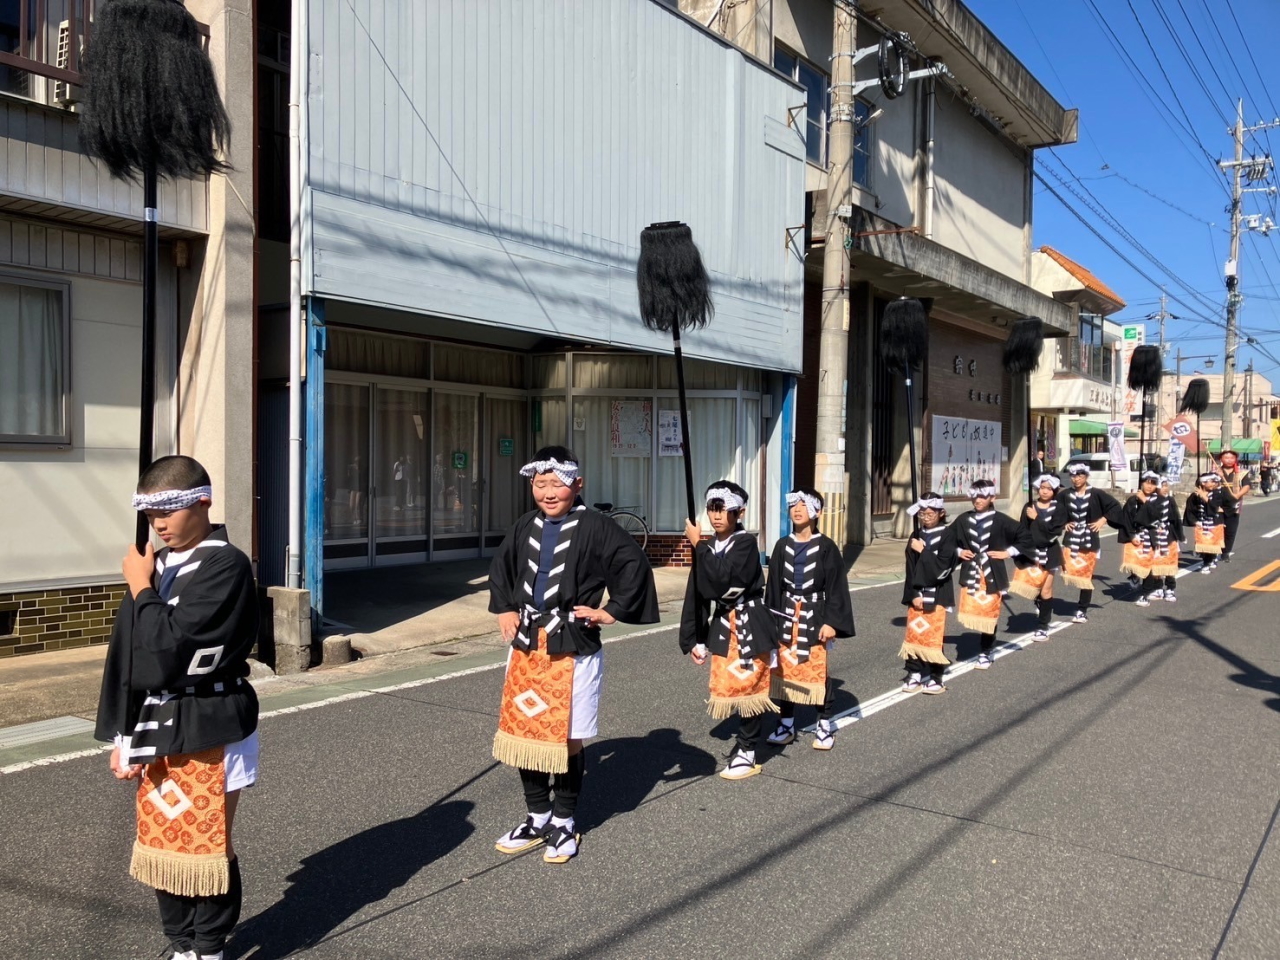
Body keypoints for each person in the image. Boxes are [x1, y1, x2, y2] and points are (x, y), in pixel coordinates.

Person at [95, 456, 260, 960]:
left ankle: (208, 946)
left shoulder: (226, 564)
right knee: (162, 839)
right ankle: (180, 943)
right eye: (150, 515)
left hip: (211, 718)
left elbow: (168, 646)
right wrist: (122, 735)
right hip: (154, 722)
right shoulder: (156, 563)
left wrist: (140, 586)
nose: (159, 524)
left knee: (206, 842)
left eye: (169, 510)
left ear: (203, 501)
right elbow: (128, 654)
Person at [488, 446, 658, 864]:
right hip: (528, 643)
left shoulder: (596, 526)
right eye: (540, 484)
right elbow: (502, 569)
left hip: (573, 643)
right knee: (525, 734)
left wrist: (611, 610)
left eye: (557, 484)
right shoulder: (525, 524)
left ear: (578, 485)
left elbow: (633, 563)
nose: (548, 492)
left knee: (565, 736)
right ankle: (537, 815)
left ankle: (563, 822)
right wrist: (506, 608)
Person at [680, 480, 780, 781]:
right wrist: (693, 638)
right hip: (723, 624)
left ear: (740, 512)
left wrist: (698, 546)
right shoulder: (708, 546)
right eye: (712, 508)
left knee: (750, 687)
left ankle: (748, 750)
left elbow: (726, 580)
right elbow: (696, 594)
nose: (716, 515)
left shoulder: (746, 543)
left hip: (749, 621)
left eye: (723, 509)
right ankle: (745, 744)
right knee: (730, 686)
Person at [765, 488, 855, 751]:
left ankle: (824, 724)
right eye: (793, 504)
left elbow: (837, 587)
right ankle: (786, 723)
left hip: (815, 614)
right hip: (785, 613)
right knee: (783, 670)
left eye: (803, 505)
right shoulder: (782, 545)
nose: (797, 509)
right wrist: (770, 621)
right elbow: (773, 589)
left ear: (818, 512)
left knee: (817, 670)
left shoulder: (827, 547)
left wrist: (832, 622)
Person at [949, 479, 1028, 670]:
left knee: (989, 612)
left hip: (992, 571)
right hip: (972, 572)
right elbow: (947, 539)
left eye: (983, 496)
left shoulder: (1001, 520)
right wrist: (959, 552)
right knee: (975, 610)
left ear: (992, 497)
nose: (978, 500)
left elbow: (1025, 536)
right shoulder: (963, 519)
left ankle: (986, 650)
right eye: (975, 495)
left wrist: (1008, 552)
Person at [900, 494, 957, 694]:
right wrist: (913, 592)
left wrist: (923, 551)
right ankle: (914, 671)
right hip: (918, 592)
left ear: (941, 513)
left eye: (930, 513)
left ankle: (935, 676)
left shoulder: (948, 535)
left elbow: (944, 566)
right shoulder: (916, 535)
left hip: (939, 591)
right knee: (914, 632)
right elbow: (910, 568)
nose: (926, 517)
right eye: (922, 513)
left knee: (933, 635)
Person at [1058, 463, 1124, 623]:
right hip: (1071, 539)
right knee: (1062, 570)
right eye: (1073, 476)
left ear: (1086, 476)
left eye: (1080, 475)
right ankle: (1042, 602)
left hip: (1089, 539)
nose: (1076, 479)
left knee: (1086, 575)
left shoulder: (1096, 494)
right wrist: (1064, 523)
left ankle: (1082, 609)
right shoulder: (1064, 494)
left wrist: (1103, 519)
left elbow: (1115, 507)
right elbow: (1056, 511)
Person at [1011, 475, 1067, 641]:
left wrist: (1037, 518)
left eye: (1049, 488)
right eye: (1042, 487)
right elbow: (1022, 530)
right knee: (1033, 586)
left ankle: (1043, 626)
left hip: (1050, 551)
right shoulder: (1029, 506)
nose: (1045, 491)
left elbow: (1053, 532)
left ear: (1054, 490)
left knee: (1046, 589)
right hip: (1032, 550)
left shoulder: (1059, 509)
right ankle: (1039, 601)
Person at [1121, 471, 1168, 607]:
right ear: (1141, 482)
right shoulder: (1132, 500)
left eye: (1153, 483)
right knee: (1133, 562)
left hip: (1152, 536)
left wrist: (1145, 501)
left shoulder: (1160, 500)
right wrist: (1131, 535)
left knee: (1149, 566)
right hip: (1136, 535)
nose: (1149, 486)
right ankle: (1134, 576)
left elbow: (1157, 516)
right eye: (1146, 482)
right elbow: (1126, 519)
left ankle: (1145, 593)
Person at [1151, 476, 1185, 601]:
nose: (1165, 488)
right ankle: (1158, 588)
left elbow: (1176, 518)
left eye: (1166, 485)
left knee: (1170, 562)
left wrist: (1180, 535)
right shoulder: (1149, 500)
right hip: (1154, 535)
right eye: (1162, 486)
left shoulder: (1170, 500)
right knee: (1155, 562)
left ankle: (1170, 588)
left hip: (1169, 534)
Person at [1215, 449, 1253, 562]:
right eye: (1226, 457)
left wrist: (1238, 495)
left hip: (1234, 505)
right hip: (1218, 505)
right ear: (1221, 459)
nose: (1229, 460)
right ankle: (1214, 551)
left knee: (1231, 530)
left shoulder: (1241, 472)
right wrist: (1217, 477)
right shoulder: (1215, 472)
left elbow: (1246, 486)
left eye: (1231, 458)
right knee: (1217, 529)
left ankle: (1226, 552)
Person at [1185, 472, 1226, 573]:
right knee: (1202, 545)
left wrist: (1205, 497)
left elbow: (1217, 508)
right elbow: (1190, 510)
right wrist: (1194, 521)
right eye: (1210, 481)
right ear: (1203, 483)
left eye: (1214, 481)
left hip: (1214, 523)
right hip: (1201, 523)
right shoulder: (1194, 496)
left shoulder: (1217, 494)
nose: (1213, 483)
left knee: (1212, 545)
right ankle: (1207, 560)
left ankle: (1208, 562)